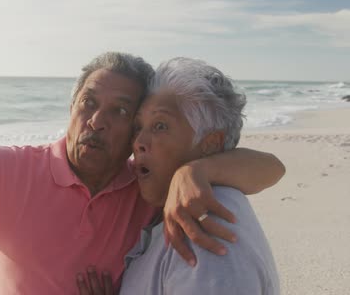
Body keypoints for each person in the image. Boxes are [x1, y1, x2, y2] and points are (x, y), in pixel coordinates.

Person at [0, 51, 284, 294]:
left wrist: (200, 169)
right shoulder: (4, 172)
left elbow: (269, 168)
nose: (97, 121)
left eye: (120, 112)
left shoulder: (148, 186)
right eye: (89, 102)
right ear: (72, 104)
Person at [76, 57, 280, 294]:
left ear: (211, 144)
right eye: (138, 127)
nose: (139, 142)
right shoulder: (191, 203)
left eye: (160, 126)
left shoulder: (205, 237)